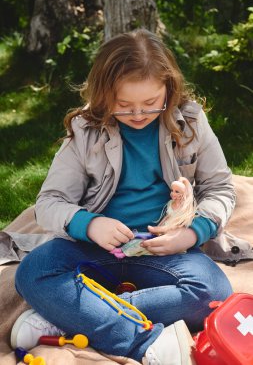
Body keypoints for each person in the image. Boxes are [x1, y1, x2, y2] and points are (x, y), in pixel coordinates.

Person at [10, 28, 236, 365]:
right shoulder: (85, 131)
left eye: (150, 103)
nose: (139, 115)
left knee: (213, 292)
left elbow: (220, 189)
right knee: (33, 273)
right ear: (104, 94)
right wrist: (90, 224)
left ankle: (73, 314)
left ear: (169, 90)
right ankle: (148, 343)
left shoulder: (190, 121)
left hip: (161, 249)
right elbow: (49, 202)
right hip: (93, 249)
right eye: (124, 105)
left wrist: (190, 233)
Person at [110, 176, 196, 258]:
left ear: (183, 194)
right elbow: (166, 217)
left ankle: (125, 253)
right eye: (172, 190)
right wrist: (159, 227)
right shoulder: (171, 203)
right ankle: (122, 250)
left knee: (144, 243)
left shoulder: (184, 209)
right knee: (138, 237)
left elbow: (181, 223)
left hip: (173, 232)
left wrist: (184, 233)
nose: (172, 193)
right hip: (163, 229)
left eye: (177, 192)